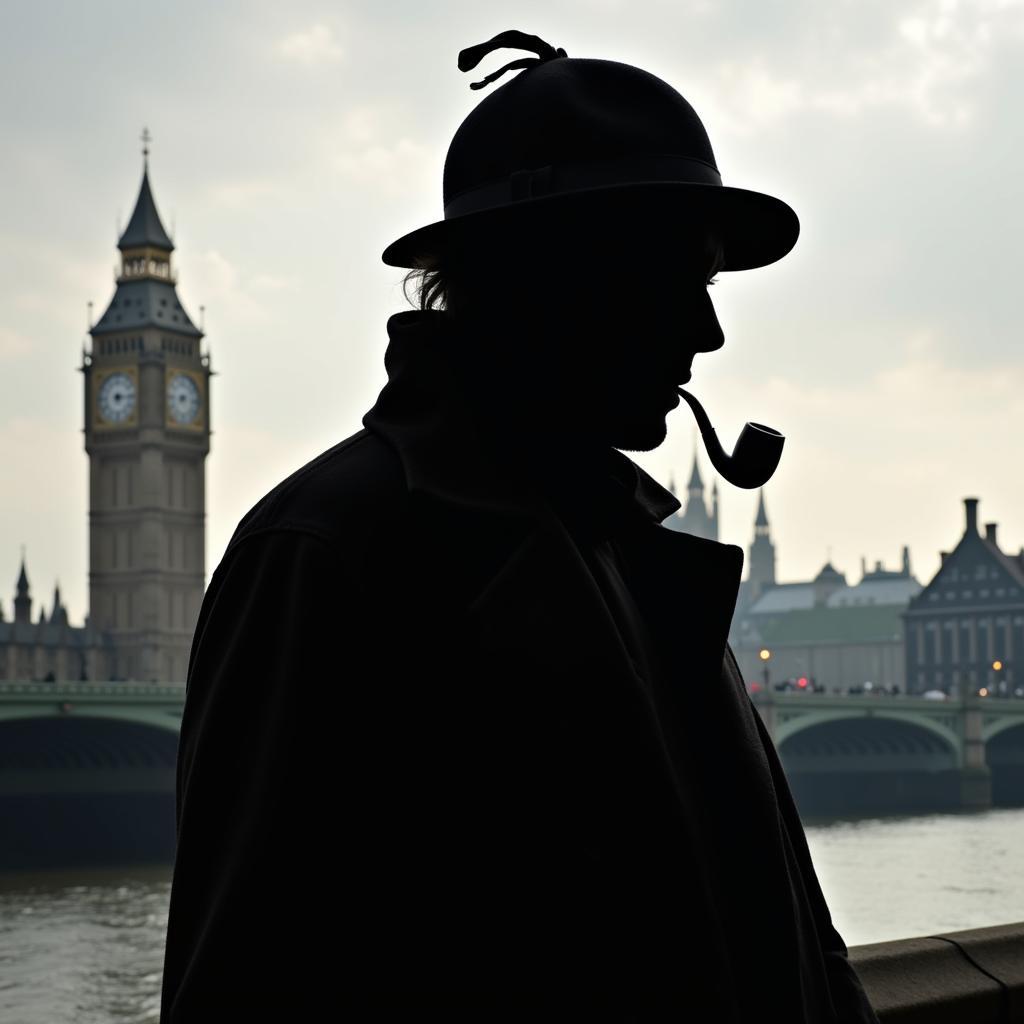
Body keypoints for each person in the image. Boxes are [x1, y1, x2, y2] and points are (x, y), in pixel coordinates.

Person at [160, 30, 881, 1021]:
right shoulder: (326, 553)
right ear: (555, 275)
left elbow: (789, 931)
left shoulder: (634, 552)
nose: (707, 331)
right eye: (681, 276)